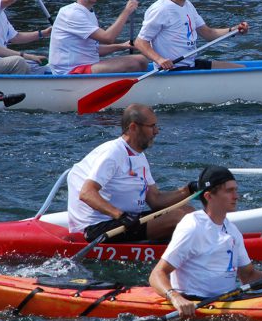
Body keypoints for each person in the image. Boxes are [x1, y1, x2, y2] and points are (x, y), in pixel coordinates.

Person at [149, 165, 262, 318]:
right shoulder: (192, 226)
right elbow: (157, 274)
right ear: (209, 196)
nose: (236, 196)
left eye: (235, 190)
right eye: (229, 191)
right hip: (194, 303)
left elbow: (248, 277)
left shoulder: (233, 231)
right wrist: (175, 297)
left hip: (227, 301)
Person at [67, 103, 194, 243]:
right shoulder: (113, 153)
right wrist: (120, 216)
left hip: (127, 222)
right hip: (98, 227)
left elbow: (155, 200)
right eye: (152, 126)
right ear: (133, 127)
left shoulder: (139, 156)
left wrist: (190, 189)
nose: (156, 131)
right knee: (179, 218)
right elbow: (86, 193)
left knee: (189, 211)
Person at [135, 0, 248, 70]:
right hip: (172, 70)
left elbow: (209, 33)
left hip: (191, 64)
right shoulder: (160, 9)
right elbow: (140, 42)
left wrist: (235, 30)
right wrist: (160, 60)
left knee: (241, 69)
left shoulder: (188, 5)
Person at [48, 0, 146, 75]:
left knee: (140, 60)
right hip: (70, 72)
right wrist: (126, 12)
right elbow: (108, 38)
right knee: (137, 61)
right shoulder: (72, 14)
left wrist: (122, 46)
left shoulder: (88, 12)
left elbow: (93, 50)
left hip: (84, 67)